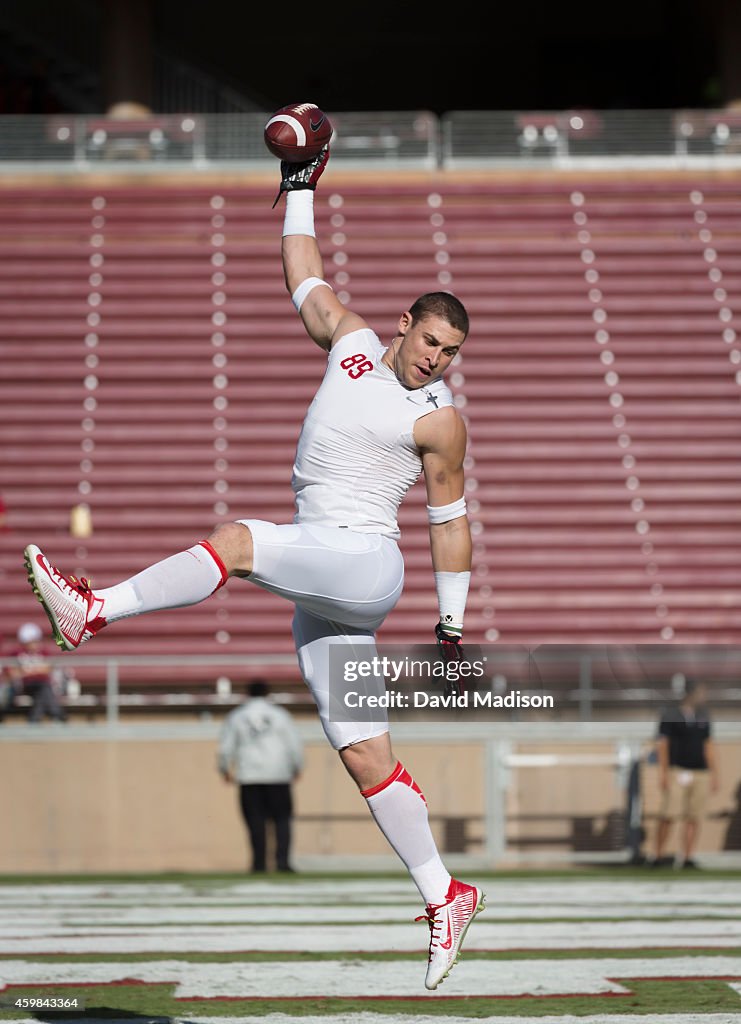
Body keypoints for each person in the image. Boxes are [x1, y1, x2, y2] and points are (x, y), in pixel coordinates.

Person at [23, 143, 485, 989]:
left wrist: (450, 626)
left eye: (450, 351)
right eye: (430, 339)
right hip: (328, 583)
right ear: (403, 325)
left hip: (364, 564)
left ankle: (92, 612)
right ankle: (445, 892)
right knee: (364, 756)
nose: (436, 358)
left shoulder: (439, 419)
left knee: (236, 542)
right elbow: (303, 273)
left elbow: (449, 522)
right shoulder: (348, 342)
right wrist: (302, 185)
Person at [218, 679, 303, 873]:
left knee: (255, 822)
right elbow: (294, 744)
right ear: (267, 693)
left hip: (249, 775)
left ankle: (259, 864)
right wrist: (297, 766)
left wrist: (224, 768)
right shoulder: (280, 715)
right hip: (278, 774)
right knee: (282, 820)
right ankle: (283, 863)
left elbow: (226, 746)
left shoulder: (237, 716)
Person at [652, 677, 719, 868]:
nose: (703, 696)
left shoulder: (704, 714)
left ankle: (688, 857)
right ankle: (657, 856)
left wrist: (714, 773)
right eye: (700, 692)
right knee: (669, 814)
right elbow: (662, 745)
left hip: (700, 771)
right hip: (677, 770)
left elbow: (709, 744)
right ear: (689, 693)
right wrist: (663, 773)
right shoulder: (670, 713)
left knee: (694, 816)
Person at [7, 622, 66, 723]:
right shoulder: (16, 653)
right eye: (31, 641)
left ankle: (34, 720)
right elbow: (12, 673)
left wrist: (28, 670)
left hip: (42, 684)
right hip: (25, 685)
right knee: (44, 690)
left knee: (43, 690)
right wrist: (36, 670)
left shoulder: (44, 652)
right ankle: (57, 715)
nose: (35, 644)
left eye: (36, 641)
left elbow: (48, 669)